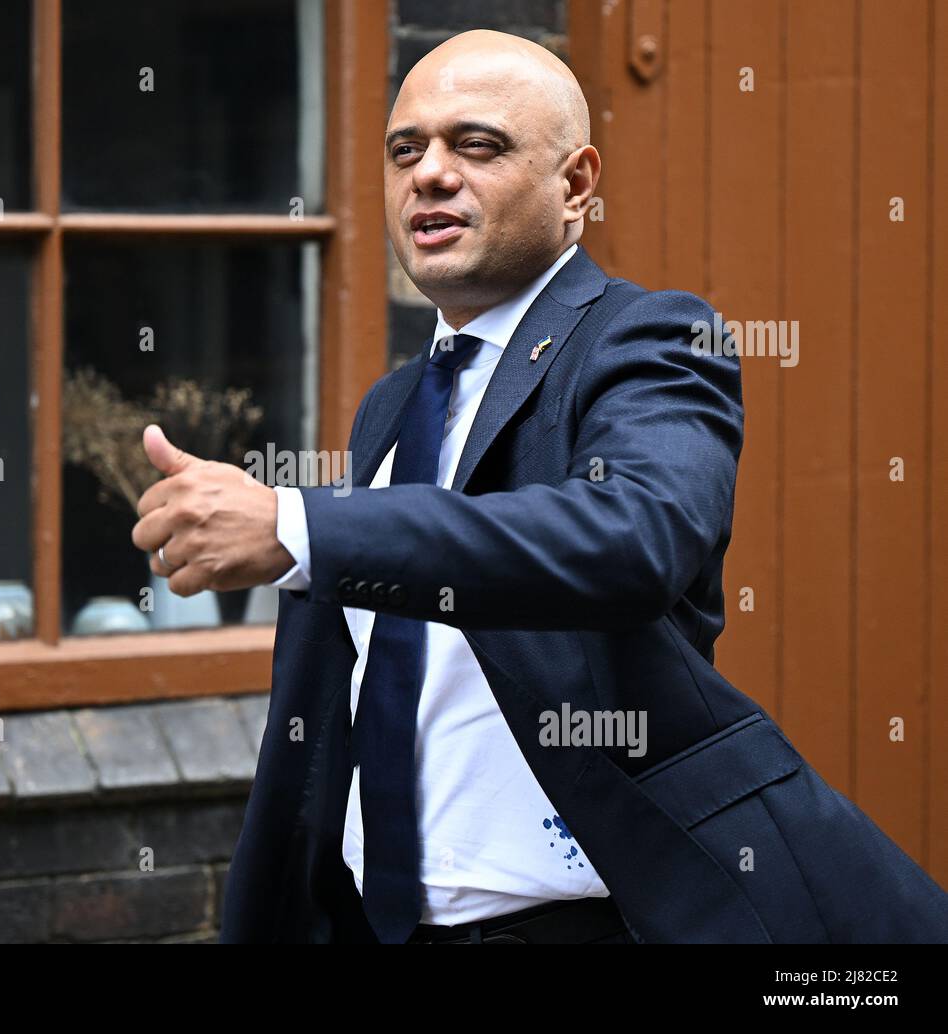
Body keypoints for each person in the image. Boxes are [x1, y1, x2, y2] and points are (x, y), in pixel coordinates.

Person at [131, 29, 948, 943]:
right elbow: (343, 700)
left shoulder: (651, 341)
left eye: (475, 146)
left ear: (577, 185)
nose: (428, 175)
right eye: (406, 150)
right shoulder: (393, 406)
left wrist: (299, 525)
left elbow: (633, 538)